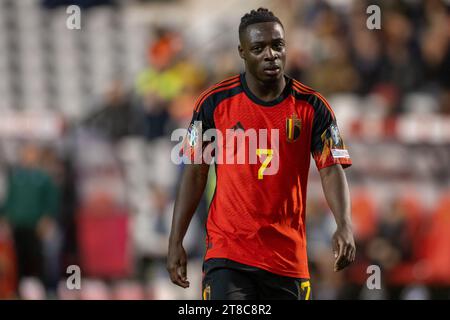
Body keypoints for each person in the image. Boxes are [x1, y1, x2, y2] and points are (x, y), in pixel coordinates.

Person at [167, 8, 355, 300]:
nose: (271, 54)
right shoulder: (213, 103)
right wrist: (176, 239)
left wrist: (344, 225)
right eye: (259, 48)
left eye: (277, 45)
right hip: (228, 254)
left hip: (287, 259)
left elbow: (331, 168)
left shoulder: (313, 106)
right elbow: (195, 172)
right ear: (242, 52)